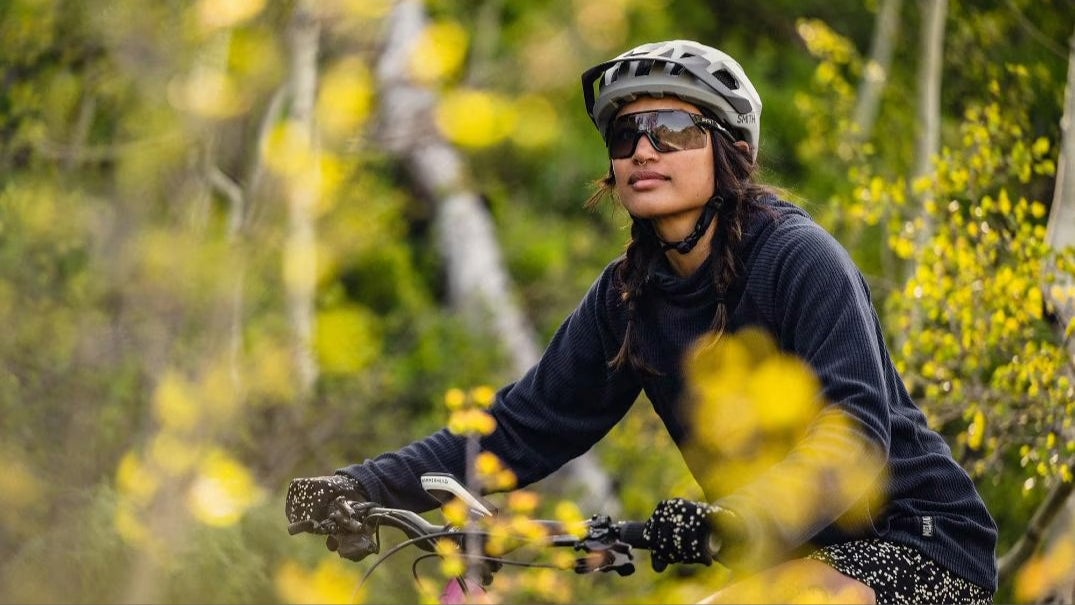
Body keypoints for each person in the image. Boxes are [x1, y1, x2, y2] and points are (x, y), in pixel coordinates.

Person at [286, 40, 997, 604]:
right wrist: (362, 485)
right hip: (793, 562)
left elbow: (853, 441)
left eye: (672, 129)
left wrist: (737, 515)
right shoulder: (629, 296)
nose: (644, 149)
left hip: (921, 548)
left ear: (727, 150)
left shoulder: (798, 259)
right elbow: (520, 426)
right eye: (626, 134)